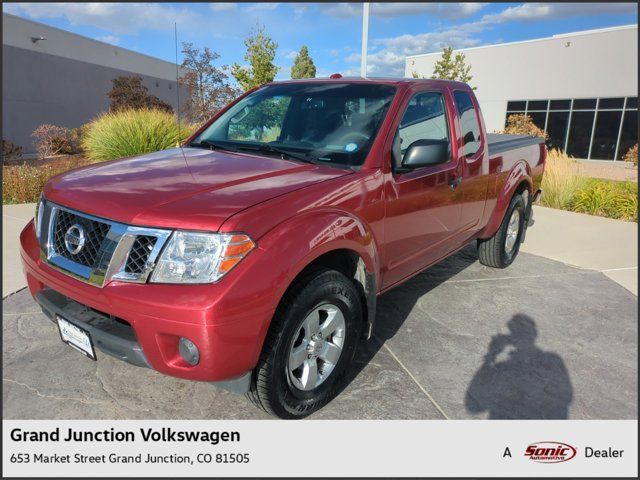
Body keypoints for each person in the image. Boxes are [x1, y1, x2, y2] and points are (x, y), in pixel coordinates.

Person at [465, 314, 573, 419]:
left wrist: (491, 357)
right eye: (515, 333)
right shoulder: (502, 369)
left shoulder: (550, 361)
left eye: (520, 333)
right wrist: (491, 356)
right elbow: (474, 405)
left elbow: (474, 406)